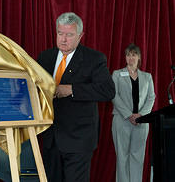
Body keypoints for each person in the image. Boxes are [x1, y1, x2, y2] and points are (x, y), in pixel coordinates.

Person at [37, 12, 115, 182]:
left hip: (78, 140)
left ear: (80, 36)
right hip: (50, 138)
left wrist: (72, 89)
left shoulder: (94, 58)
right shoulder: (45, 57)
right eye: (60, 33)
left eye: (69, 35)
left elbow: (108, 91)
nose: (63, 39)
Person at [111, 43, 155, 182]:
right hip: (122, 120)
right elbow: (114, 95)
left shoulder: (147, 77)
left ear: (139, 57)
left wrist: (141, 115)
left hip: (141, 122)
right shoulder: (117, 74)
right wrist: (129, 115)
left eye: (134, 55)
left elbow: (151, 97)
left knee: (138, 156)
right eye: (128, 55)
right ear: (125, 57)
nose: (131, 58)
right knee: (122, 156)